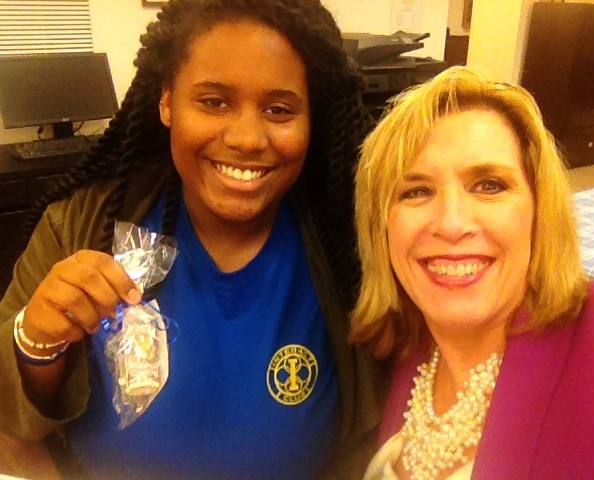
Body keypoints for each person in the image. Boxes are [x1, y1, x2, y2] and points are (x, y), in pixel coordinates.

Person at [0, 0, 386, 478]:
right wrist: (37, 341)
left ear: (311, 118)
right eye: (214, 102)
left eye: (279, 109)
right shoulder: (82, 224)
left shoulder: (350, 245)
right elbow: (11, 424)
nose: (247, 138)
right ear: (167, 101)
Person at [349, 66, 594, 479]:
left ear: (540, 210)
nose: (451, 223)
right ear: (381, 229)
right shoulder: (405, 353)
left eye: (489, 185)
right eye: (416, 191)